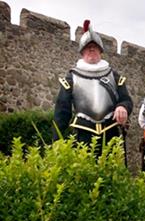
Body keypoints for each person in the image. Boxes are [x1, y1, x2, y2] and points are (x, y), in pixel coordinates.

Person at [53, 20, 133, 155]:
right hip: (83, 133)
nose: (91, 49)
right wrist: (56, 141)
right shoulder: (71, 78)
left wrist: (123, 106)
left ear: (100, 51)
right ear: (82, 52)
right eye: (88, 47)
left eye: (94, 47)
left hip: (111, 131)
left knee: (113, 171)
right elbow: (62, 112)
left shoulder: (114, 76)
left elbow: (126, 99)